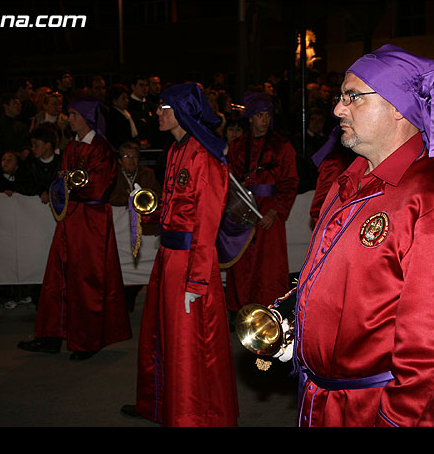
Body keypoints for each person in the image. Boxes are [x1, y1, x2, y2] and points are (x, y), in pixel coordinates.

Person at [279, 44, 434, 427]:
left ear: (398, 106)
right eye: (340, 97)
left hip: (375, 409)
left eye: (352, 97)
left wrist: (397, 421)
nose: (338, 109)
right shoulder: (352, 178)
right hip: (325, 400)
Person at [121, 83, 237, 427]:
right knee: (162, 336)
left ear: (181, 111)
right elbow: (177, 209)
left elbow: (206, 224)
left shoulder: (205, 156)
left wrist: (198, 279)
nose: (156, 112)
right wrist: (151, 211)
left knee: (189, 343)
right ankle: (162, 404)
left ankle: (192, 415)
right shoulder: (175, 152)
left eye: (163, 107)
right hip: (168, 259)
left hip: (189, 263)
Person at [17, 97, 132, 360]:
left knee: (86, 279)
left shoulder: (101, 148)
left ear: (87, 118)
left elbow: (99, 188)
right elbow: (65, 179)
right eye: (69, 114)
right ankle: (50, 335)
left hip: (91, 221)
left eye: (74, 114)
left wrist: (70, 186)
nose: (69, 118)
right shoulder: (72, 147)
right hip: (72, 218)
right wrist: (62, 187)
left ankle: (87, 341)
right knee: (58, 275)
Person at [225, 91, 299, 313]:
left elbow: (290, 181)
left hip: (270, 210)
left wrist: (275, 211)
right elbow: (230, 180)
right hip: (242, 210)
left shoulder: (282, 145)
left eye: (267, 115)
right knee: (240, 262)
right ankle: (239, 310)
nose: (264, 120)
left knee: (269, 264)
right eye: (259, 115)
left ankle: (270, 310)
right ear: (250, 118)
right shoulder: (238, 145)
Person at [109, 141, 162, 311]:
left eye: (134, 156)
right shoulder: (113, 175)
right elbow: (109, 196)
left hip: (145, 231)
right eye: (127, 157)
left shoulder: (148, 173)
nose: (131, 160)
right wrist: (130, 199)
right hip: (120, 232)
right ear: (119, 160)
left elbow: (157, 195)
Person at [14, 123, 62, 204]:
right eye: (32, 144)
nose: (32, 148)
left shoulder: (61, 162)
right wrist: (40, 191)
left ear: (48, 145)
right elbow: (20, 184)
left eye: (36, 145)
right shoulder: (29, 162)